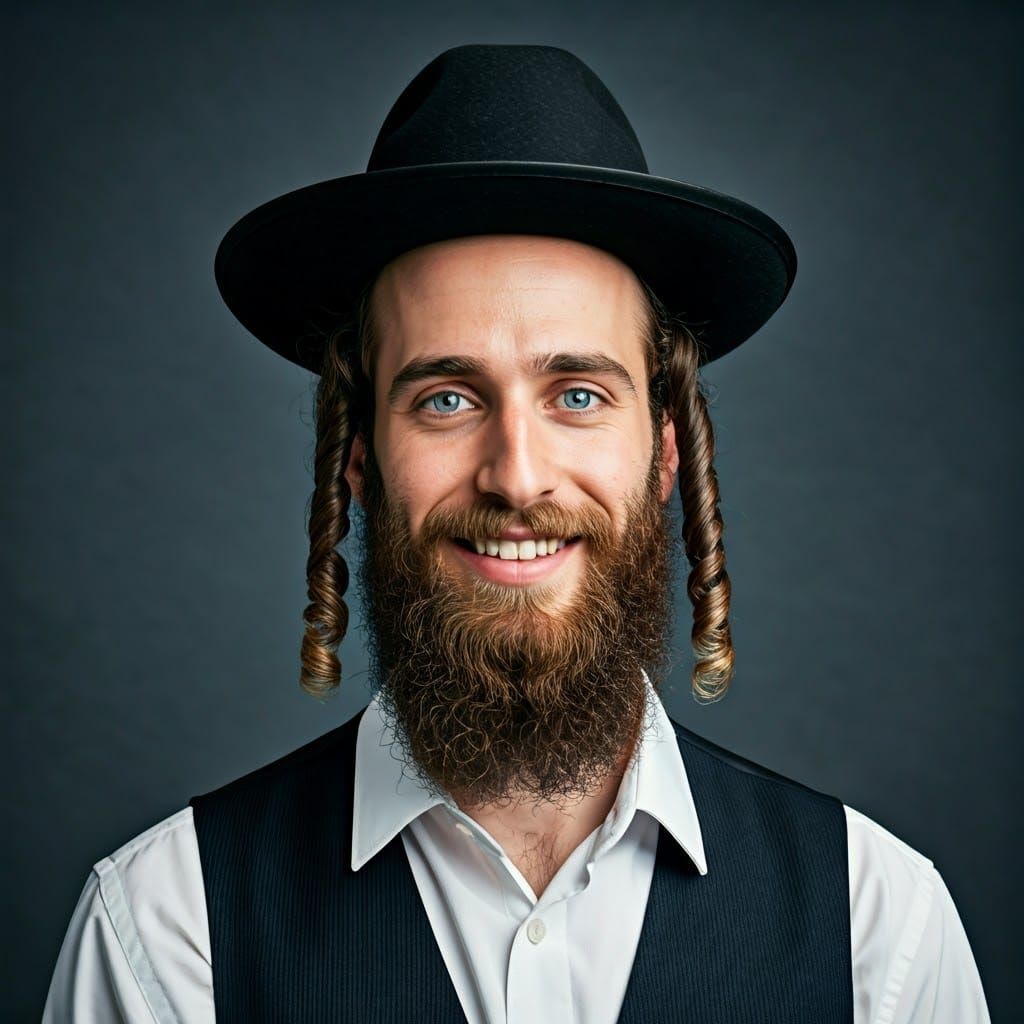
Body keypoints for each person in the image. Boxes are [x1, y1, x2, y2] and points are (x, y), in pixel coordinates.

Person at [43, 44, 990, 1023]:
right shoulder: (168, 931)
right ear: (360, 455)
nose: (517, 474)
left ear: (664, 450)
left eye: (577, 393)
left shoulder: (878, 929)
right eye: (447, 398)